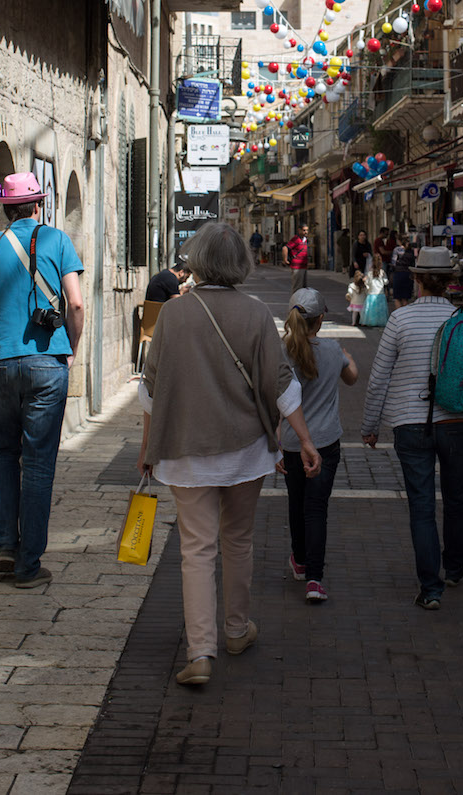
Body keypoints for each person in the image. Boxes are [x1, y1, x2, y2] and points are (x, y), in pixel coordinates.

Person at [138, 222, 321, 687]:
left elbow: (151, 390)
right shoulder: (257, 313)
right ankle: (236, 631)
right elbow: (281, 382)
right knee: (238, 539)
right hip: (245, 450)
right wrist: (304, 438)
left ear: (195, 261)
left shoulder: (173, 314)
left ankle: (200, 652)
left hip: (184, 448)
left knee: (196, 548)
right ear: (239, 262)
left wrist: (146, 448)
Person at [361, 246, 463, 610]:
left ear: (418, 279)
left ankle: (431, 587)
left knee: (421, 504)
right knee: (456, 497)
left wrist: (370, 424)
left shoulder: (401, 320)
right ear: (449, 282)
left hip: (411, 424)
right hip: (457, 423)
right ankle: (455, 567)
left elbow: (378, 377)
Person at [0, 171, 84, 588]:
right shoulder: (58, 241)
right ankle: (28, 565)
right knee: (37, 463)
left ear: (3, 209)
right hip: (45, 362)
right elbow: (76, 302)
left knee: (2, 453)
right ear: (39, 205)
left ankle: (5, 548)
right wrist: (69, 346)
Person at [278, 288, 358, 603]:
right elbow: (352, 377)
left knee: (296, 503)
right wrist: (347, 357)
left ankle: (299, 559)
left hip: (292, 443)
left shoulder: (282, 352)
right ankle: (315, 578)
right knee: (316, 508)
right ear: (320, 320)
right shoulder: (332, 349)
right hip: (324, 441)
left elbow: (276, 401)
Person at [361, 260, 390, 327]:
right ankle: (380, 321)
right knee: (380, 310)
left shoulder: (370, 273)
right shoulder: (382, 272)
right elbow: (386, 282)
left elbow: (367, 282)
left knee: (370, 309)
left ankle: (371, 321)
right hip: (380, 293)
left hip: (371, 293)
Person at [282, 223, 309, 292]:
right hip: (297, 267)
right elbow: (285, 248)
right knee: (297, 287)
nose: (306, 232)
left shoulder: (305, 239)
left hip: (303, 266)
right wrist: (285, 260)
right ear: (299, 230)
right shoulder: (296, 239)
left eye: (307, 230)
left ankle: (302, 301)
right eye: (304, 230)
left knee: (303, 287)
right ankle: (295, 301)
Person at [390, 236, 416, 308]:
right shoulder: (411, 251)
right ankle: (405, 316)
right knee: (405, 298)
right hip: (408, 274)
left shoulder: (396, 250)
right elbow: (413, 263)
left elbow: (393, 262)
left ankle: (398, 317)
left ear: (399, 241)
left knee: (397, 298)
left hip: (398, 274)